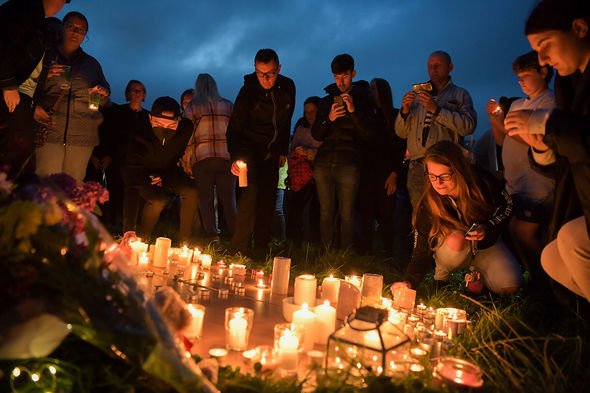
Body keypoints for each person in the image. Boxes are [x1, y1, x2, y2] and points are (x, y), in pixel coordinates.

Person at [505, 0, 590, 304]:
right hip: (576, 200)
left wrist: (542, 122)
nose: (542, 58)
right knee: (553, 257)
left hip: (554, 198)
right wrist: (542, 147)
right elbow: (571, 159)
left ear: (579, 28)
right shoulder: (570, 86)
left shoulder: (553, 101)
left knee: (566, 241)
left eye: (545, 45)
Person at [399, 141, 521, 294]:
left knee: (510, 285)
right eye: (432, 176)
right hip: (454, 248)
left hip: (486, 246)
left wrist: (488, 227)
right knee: (456, 240)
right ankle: (442, 274)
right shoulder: (430, 202)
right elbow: (421, 248)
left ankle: (478, 277)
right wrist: (408, 281)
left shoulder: (481, 183)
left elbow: (507, 207)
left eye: (444, 175)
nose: (438, 182)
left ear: (458, 170)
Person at [487, 51, 557, 300]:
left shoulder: (550, 105)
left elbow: (538, 140)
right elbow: (502, 139)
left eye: (526, 76)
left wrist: (514, 126)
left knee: (526, 232)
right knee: (516, 232)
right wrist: (496, 120)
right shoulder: (518, 105)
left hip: (538, 183)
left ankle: (549, 284)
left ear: (544, 72)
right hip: (515, 183)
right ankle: (535, 281)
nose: (521, 82)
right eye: (518, 78)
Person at [227, 48, 295, 255]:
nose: (265, 79)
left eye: (270, 74)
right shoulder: (247, 92)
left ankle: (261, 248)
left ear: (279, 69)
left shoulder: (288, 87)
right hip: (249, 151)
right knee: (250, 195)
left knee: (268, 200)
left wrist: (283, 148)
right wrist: (236, 158)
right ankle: (239, 247)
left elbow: (285, 121)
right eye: (260, 73)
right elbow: (234, 128)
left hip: (272, 152)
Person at [34, 11, 110, 183]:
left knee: (73, 187)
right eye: (71, 27)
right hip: (49, 131)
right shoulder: (45, 57)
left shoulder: (91, 64)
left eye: (81, 30)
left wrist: (100, 95)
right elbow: (26, 87)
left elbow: (103, 100)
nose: (76, 32)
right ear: (62, 27)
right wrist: (42, 76)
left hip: (82, 137)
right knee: (46, 186)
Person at [395, 50, 477, 210]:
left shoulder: (460, 95)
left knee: (446, 211)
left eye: (438, 65)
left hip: (445, 167)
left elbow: (469, 126)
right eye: (430, 66)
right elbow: (401, 132)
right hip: (418, 166)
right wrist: (404, 111)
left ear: (450, 67)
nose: (433, 69)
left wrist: (437, 110)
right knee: (419, 214)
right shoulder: (418, 96)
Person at [0, 0, 71, 178]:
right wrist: (8, 84)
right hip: (13, 95)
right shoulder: (26, 10)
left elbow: (27, 68)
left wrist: (32, 106)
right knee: (15, 159)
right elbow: (2, 44)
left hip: (22, 99)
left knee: (19, 158)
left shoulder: (36, 21)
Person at [311, 54, 374, 249]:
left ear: (353, 74)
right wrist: (329, 119)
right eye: (337, 77)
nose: (341, 82)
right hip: (324, 163)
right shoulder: (325, 101)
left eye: (345, 76)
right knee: (325, 212)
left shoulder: (364, 99)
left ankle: (345, 254)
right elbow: (316, 134)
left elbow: (368, 134)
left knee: (347, 213)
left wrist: (353, 111)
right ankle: (327, 253)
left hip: (348, 164)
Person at [123, 96, 198, 244]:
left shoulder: (186, 128)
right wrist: (128, 228)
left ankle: (184, 242)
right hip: (140, 171)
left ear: (179, 121)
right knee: (158, 200)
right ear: (150, 118)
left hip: (167, 169)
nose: (164, 130)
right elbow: (131, 184)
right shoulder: (138, 133)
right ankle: (140, 240)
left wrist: (164, 175)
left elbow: (176, 154)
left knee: (191, 191)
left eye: (170, 126)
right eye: (158, 124)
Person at [90, 80, 151, 234]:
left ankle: (132, 227)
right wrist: (104, 154)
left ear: (144, 94)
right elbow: (107, 134)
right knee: (115, 192)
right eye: (132, 90)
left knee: (136, 194)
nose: (136, 94)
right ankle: (112, 225)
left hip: (139, 162)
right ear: (127, 93)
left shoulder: (148, 117)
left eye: (139, 91)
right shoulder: (117, 112)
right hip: (117, 159)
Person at [181, 73, 235, 240]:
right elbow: (235, 133)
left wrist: (187, 159)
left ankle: (212, 234)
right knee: (228, 200)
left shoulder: (193, 107)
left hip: (202, 157)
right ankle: (238, 236)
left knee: (206, 199)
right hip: (225, 157)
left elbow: (187, 135)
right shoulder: (228, 105)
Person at [357, 78, 406, 255]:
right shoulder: (366, 115)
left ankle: (387, 253)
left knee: (386, 215)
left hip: (386, 172)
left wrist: (394, 173)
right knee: (366, 214)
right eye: (369, 88)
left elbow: (400, 146)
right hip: (367, 172)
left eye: (373, 88)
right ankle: (365, 253)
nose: (370, 91)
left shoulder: (393, 115)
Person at [286, 96, 321, 247]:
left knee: (316, 212)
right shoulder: (300, 128)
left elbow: (325, 151)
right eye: (307, 112)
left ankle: (314, 244)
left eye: (313, 111)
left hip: (318, 175)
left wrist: (308, 152)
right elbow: (292, 150)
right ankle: (295, 242)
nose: (309, 115)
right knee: (295, 209)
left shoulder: (323, 129)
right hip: (300, 176)